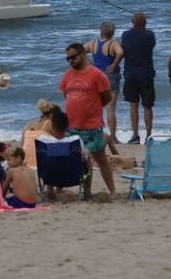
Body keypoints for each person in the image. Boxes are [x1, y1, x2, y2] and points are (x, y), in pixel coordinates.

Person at [59, 41, 116, 195]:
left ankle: (112, 191)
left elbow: (106, 97)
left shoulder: (97, 75)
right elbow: (66, 95)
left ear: (83, 54)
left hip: (92, 126)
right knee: (80, 159)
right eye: (68, 59)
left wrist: (91, 109)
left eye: (73, 57)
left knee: (100, 157)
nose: (71, 60)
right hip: (72, 126)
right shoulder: (67, 76)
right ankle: (87, 192)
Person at [119, 12, 157, 143]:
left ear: (132, 22)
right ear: (145, 23)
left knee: (133, 105)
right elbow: (152, 45)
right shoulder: (150, 35)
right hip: (146, 74)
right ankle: (148, 135)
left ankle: (135, 135)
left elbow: (123, 50)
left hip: (130, 75)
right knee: (147, 106)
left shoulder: (125, 35)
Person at [89, 22, 124, 152]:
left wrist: (89, 65)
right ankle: (113, 137)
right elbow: (120, 53)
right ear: (113, 32)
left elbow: (79, 50)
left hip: (96, 77)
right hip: (110, 76)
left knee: (96, 107)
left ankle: (96, 134)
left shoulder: (93, 43)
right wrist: (115, 64)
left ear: (101, 31)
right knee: (110, 109)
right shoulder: (113, 44)